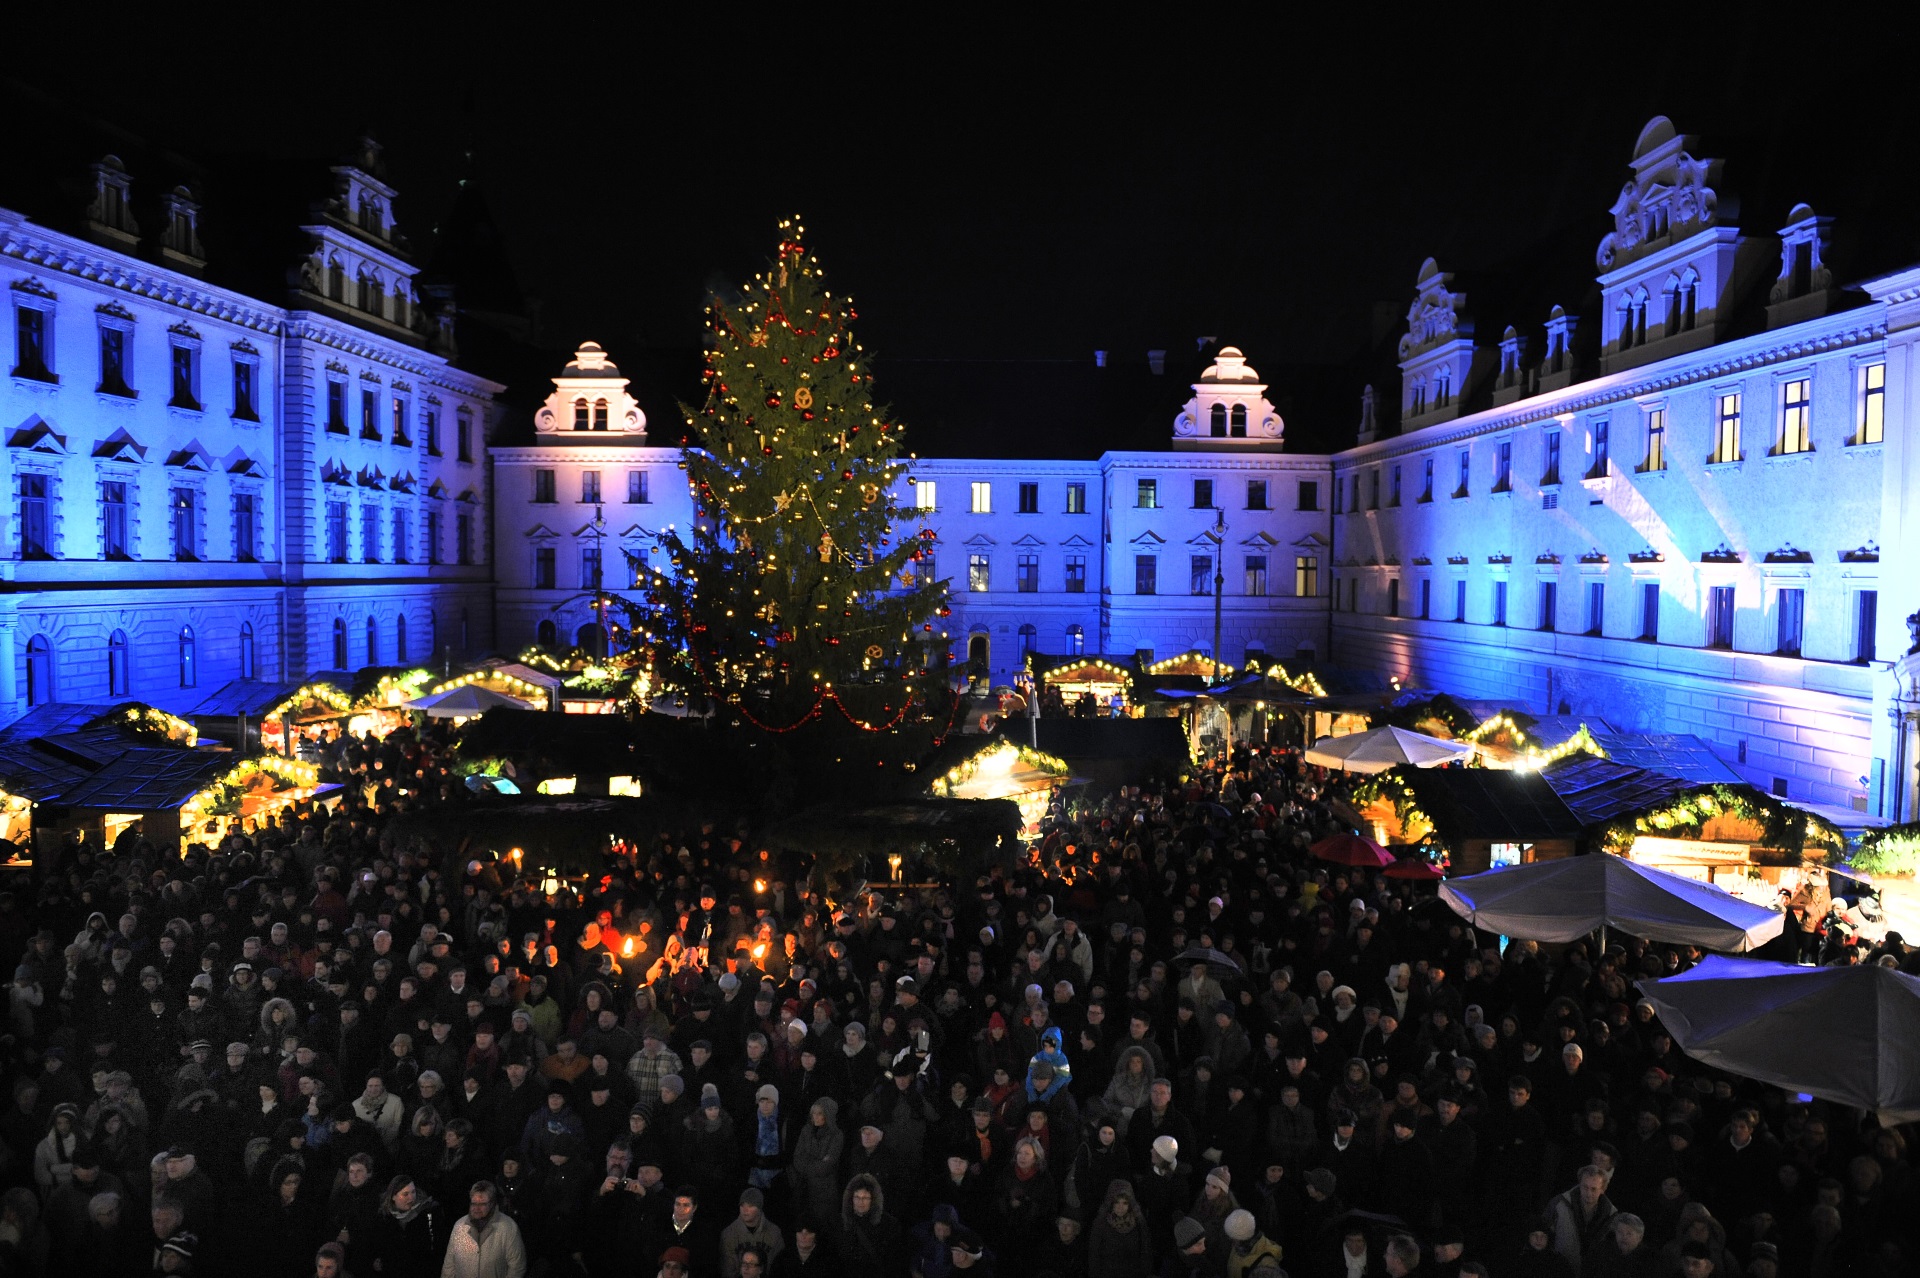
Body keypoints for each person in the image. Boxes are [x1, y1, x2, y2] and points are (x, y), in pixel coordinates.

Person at [439, 1182, 526, 1278]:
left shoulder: (508, 1228)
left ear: (492, 1204)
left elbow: (517, 1267)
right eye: (474, 1203)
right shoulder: (460, 1226)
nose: (476, 1208)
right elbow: (449, 1265)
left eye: (482, 1204)